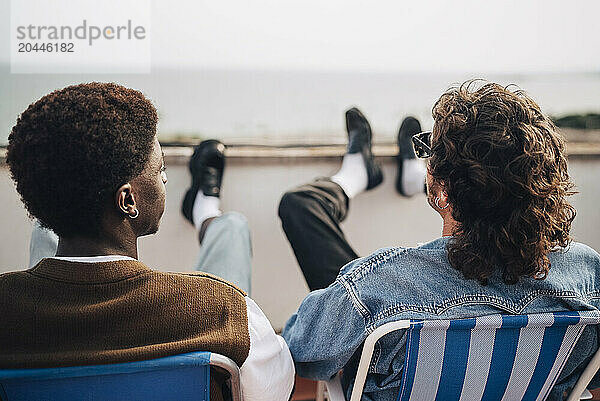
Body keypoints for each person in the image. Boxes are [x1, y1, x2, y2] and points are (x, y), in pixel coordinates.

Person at [278, 82, 600, 400]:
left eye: (431, 154)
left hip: (384, 304)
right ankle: (392, 175)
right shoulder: (588, 275)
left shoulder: (376, 284)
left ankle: (354, 176)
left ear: (441, 192)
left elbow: (300, 351)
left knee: (300, 206)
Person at [1, 82, 294, 401]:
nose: (165, 178)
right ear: (127, 200)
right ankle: (208, 212)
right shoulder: (222, 309)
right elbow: (275, 389)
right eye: (160, 169)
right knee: (233, 227)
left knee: (45, 235)